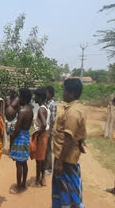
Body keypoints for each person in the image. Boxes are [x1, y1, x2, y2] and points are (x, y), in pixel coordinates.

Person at [52, 78, 86, 208]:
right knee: (63, 190)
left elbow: (68, 139)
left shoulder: (73, 112)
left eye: (65, 90)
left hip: (65, 159)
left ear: (71, 93)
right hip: (65, 157)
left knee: (68, 192)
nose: (63, 93)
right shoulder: (76, 108)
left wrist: (60, 163)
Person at [9, 89, 33, 194]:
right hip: (26, 136)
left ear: (23, 98)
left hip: (20, 138)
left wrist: (12, 137)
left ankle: (18, 187)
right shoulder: (30, 110)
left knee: (19, 164)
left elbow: (17, 128)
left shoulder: (22, 111)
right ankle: (23, 183)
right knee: (24, 162)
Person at [30, 88, 50, 187]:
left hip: (40, 135)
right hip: (44, 134)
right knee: (41, 158)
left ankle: (37, 181)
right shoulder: (46, 108)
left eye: (36, 96)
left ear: (40, 97)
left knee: (39, 159)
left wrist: (38, 137)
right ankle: (42, 178)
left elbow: (43, 124)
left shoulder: (41, 110)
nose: (35, 98)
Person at [44, 86, 57, 175]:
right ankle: (44, 166)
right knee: (43, 148)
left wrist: (49, 132)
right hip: (43, 129)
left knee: (48, 149)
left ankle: (48, 168)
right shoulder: (45, 102)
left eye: (47, 92)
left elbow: (52, 120)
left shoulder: (53, 104)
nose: (45, 94)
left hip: (48, 130)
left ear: (51, 94)